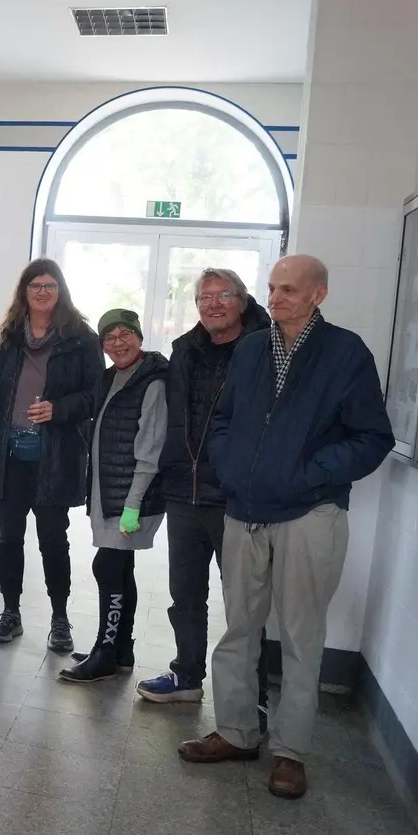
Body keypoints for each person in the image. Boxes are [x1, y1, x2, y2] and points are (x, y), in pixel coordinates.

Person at [178, 254, 394, 799]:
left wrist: (308, 474)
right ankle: (236, 732)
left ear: (318, 294)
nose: (275, 299)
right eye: (272, 289)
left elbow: (372, 437)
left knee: (299, 635)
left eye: (289, 290)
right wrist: (229, 466)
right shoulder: (252, 348)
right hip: (243, 511)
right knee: (238, 630)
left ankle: (291, 752)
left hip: (309, 514)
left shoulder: (345, 353)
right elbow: (224, 420)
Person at [137, 269, 271, 703]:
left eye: (223, 295)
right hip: (185, 492)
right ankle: (186, 676)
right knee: (185, 595)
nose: (212, 304)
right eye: (203, 297)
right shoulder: (185, 352)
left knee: (244, 604)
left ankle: (250, 697)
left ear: (243, 301)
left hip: (236, 498)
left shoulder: (268, 349)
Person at [0, 258, 98, 651]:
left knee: (52, 540)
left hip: (54, 455)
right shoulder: (6, 336)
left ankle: (60, 619)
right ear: (24, 292)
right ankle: (11, 612)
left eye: (50, 285)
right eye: (35, 285)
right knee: (8, 538)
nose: (42, 292)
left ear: (60, 291)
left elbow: (96, 394)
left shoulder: (81, 337)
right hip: (9, 453)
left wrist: (58, 409)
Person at [60, 309, 169, 682]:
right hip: (111, 493)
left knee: (106, 566)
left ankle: (105, 651)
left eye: (125, 335)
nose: (118, 343)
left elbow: (150, 449)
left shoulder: (152, 381)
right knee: (121, 568)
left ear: (139, 336)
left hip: (131, 498)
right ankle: (121, 649)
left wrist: (133, 505)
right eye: (109, 338)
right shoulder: (112, 378)